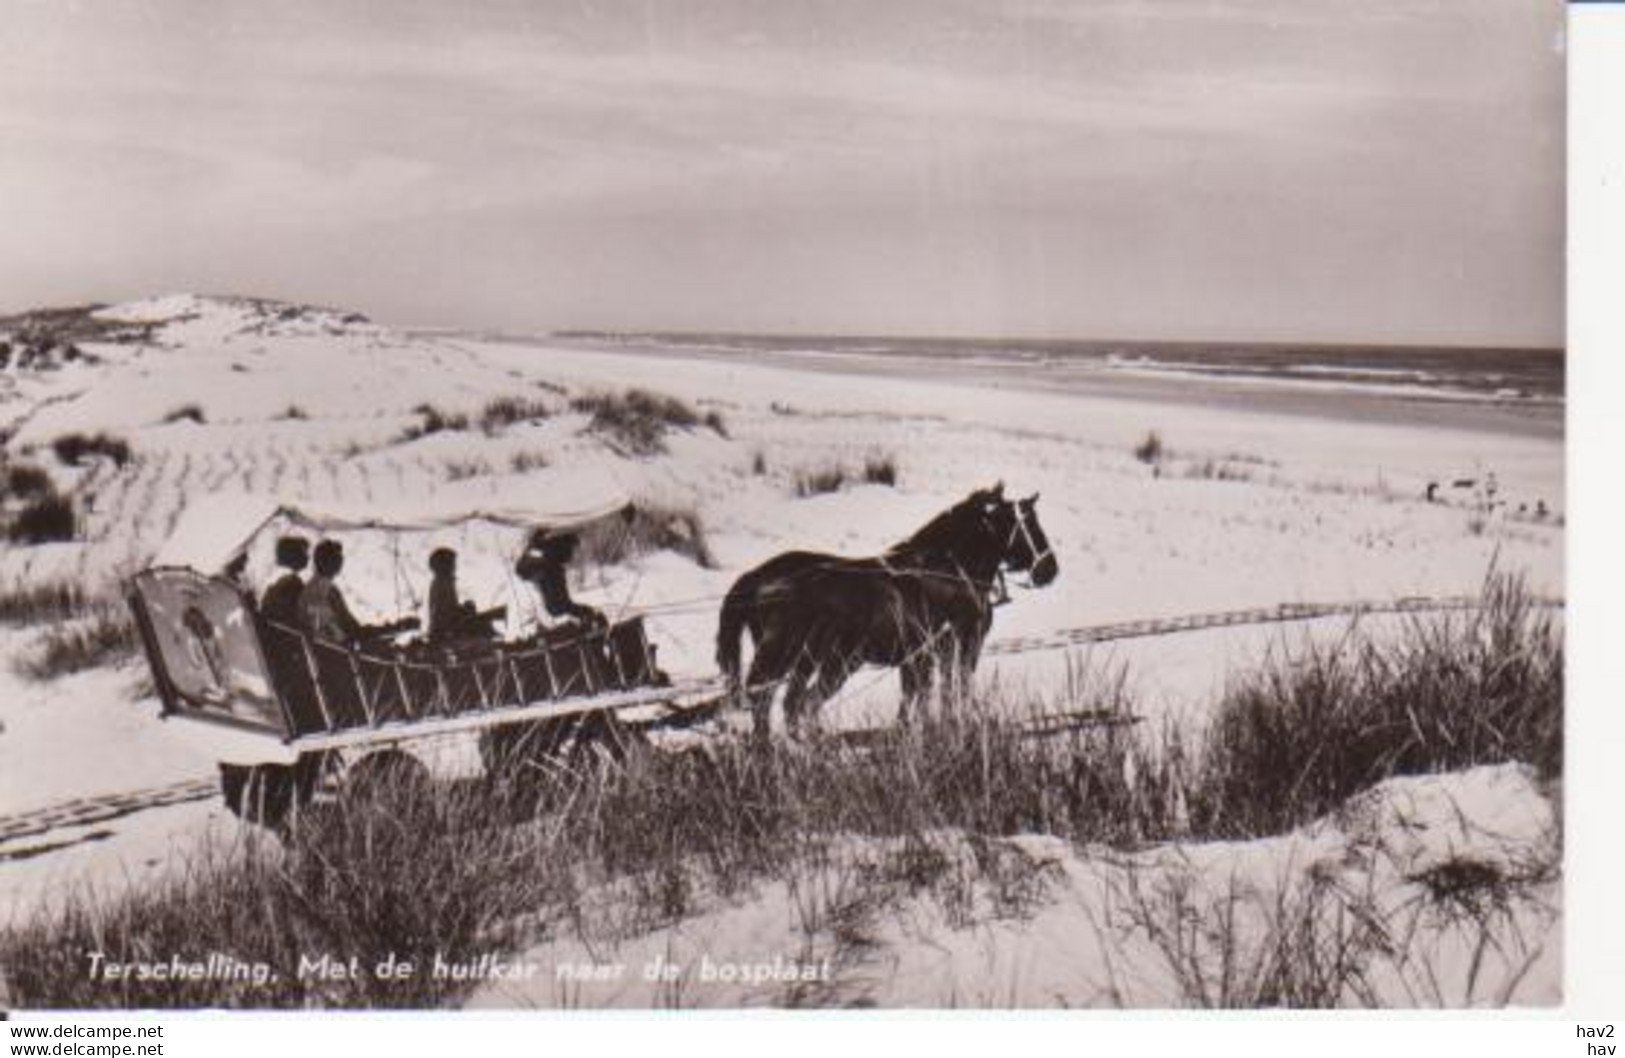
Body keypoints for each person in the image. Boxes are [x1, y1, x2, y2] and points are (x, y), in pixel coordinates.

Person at [515, 529, 605, 629]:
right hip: (554, 604)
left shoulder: (547, 559)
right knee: (560, 608)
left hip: (552, 585)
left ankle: (589, 619)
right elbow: (522, 570)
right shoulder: (542, 558)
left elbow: (523, 570)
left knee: (561, 607)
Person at [426, 547, 502, 645]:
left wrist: (465, 609)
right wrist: (465, 611)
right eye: (452, 563)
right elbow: (444, 613)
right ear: (444, 565)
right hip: (444, 629)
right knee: (481, 622)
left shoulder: (443, 582)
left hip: (445, 627)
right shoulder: (442, 583)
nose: (455, 566)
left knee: (477, 616)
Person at [298, 539, 365, 644]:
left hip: (344, 649)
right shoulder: (314, 593)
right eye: (336, 558)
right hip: (332, 653)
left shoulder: (330, 590)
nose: (339, 562)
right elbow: (328, 634)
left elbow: (352, 627)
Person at [259, 536, 310, 627]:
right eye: (304, 553)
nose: (308, 558)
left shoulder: (273, 579)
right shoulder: (293, 582)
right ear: (293, 555)